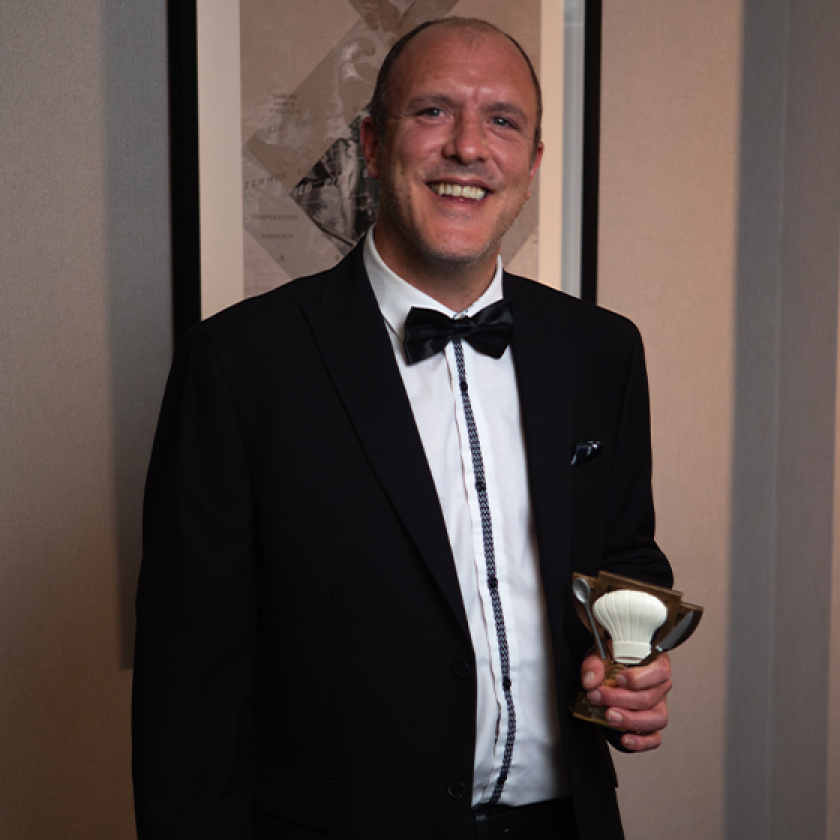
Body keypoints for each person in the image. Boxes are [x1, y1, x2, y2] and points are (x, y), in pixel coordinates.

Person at [133, 17, 673, 840]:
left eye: (502, 120)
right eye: (433, 112)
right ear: (372, 144)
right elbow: (190, 692)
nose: (467, 147)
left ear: (530, 163)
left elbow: (625, 555)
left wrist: (626, 667)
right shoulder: (237, 366)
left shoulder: (603, 350)